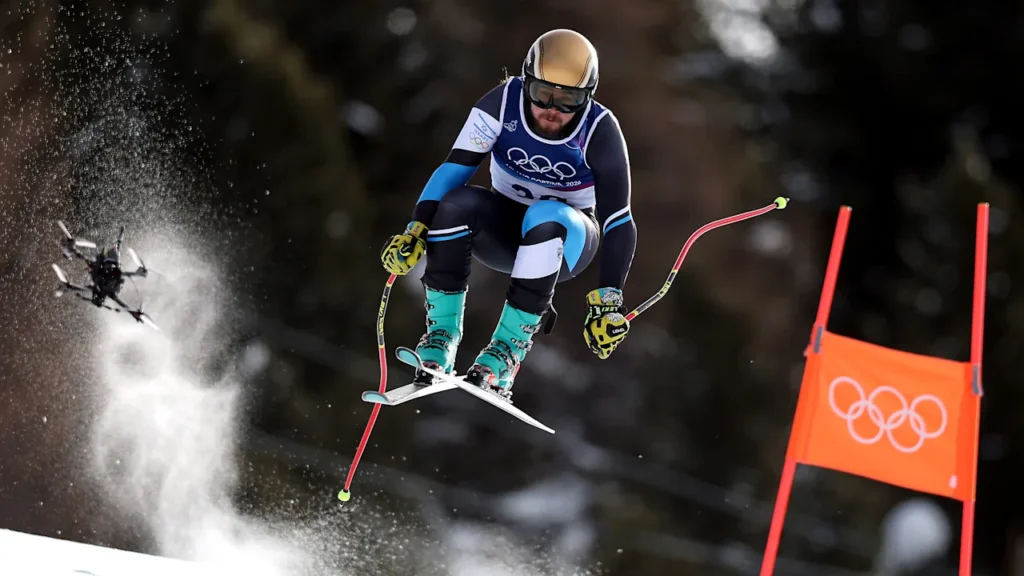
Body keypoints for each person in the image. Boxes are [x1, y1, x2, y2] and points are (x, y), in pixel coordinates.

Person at [380, 28, 636, 401]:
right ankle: (440, 337)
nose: (552, 110)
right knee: (456, 204)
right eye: (542, 94)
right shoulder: (501, 104)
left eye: (569, 101)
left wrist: (609, 299)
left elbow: (619, 220)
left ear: (588, 97)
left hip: (568, 241)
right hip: (502, 231)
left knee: (547, 215)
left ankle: (506, 353)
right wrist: (416, 229)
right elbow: (454, 168)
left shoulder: (600, 131)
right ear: (525, 80)